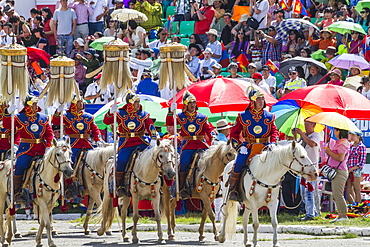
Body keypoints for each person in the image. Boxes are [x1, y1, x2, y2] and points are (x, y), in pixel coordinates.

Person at [103, 91, 157, 197]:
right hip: (126, 143)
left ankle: (159, 182)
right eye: (136, 102)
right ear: (130, 103)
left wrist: (154, 138)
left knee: (154, 158)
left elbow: (151, 127)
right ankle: (120, 186)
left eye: (138, 102)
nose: (138, 104)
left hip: (141, 142)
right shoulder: (120, 113)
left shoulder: (143, 114)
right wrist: (110, 112)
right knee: (122, 161)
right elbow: (106, 121)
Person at [228, 88, 278, 201]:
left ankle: (276, 189)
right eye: (258, 99)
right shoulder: (243, 116)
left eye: (262, 99)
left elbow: (274, 131)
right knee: (239, 163)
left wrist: (273, 143)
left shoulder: (269, 116)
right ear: (252, 102)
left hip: (266, 146)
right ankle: (234, 190)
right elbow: (233, 133)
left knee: (278, 164)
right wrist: (240, 147)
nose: (261, 101)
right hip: (248, 147)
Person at [3, 95, 54, 201]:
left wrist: (49, 146)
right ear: (28, 105)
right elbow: (8, 126)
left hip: (42, 148)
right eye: (34, 104)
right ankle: (16, 193)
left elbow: (49, 134)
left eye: (36, 103)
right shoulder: (19, 117)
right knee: (20, 166)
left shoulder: (43, 117)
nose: (36, 106)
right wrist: (7, 113)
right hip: (26, 149)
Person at [166, 91, 215, 199]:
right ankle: (183, 188)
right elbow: (170, 122)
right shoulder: (180, 116)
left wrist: (214, 137)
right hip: (188, 145)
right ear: (186, 105)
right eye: (190, 103)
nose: (193, 105)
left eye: (194, 102)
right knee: (183, 164)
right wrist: (170, 111)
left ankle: (216, 186)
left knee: (214, 161)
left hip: (201, 144)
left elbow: (209, 129)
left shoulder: (202, 117)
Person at [291, 120, 320, 221]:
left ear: (313, 125)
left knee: (310, 192)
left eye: (307, 124)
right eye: (305, 124)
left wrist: (302, 134)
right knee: (304, 192)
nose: (305, 126)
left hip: (312, 169)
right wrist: (295, 136)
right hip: (303, 169)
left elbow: (312, 144)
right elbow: (296, 148)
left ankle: (310, 214)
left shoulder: (316, 135)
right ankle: (313, 211)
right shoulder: (303, 137)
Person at [325, 128, 350, 222]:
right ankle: (340, 215)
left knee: (338, 194)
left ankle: (343, 215)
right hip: (337, 171)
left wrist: (330, 152)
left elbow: (340, 158)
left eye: (335, 130)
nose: (334, 132)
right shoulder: (340, 142)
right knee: (336, 193)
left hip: (340, 171)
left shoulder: (343, 143)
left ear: (339, 131)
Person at [346, 131, 366, 204]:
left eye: (354, 135)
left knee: (357, 189)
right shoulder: (350, 146)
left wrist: (352, 168)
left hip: (357, 170)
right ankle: (353, 205)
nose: (352, 136)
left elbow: (362, 162)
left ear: (359, 136)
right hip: (349, 170)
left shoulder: (361, 147)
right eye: (351, 135)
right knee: (347, 191)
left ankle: (358, 206)